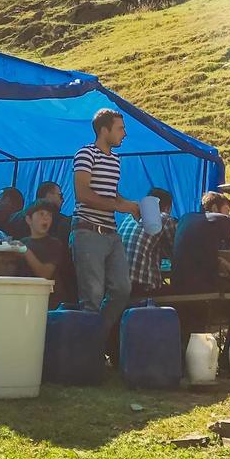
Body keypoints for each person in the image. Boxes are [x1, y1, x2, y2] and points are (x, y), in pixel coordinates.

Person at [72, 108, 140, 342]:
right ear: (104, 130)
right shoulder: (86, 153)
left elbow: (111, 194)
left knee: (122, 289)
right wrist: (118, 206)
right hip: (88, 230)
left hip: (111, 233)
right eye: (120, 129)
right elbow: (82, 193)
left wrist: (131, 205)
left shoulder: (115, 159)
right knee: (92, 295)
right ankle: (88, 353)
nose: (124, 134)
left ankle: (96, 338)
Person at [10, 200, 76, 308]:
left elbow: (45, 274)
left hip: (48, 300)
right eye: (41, 214)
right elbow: (11, 273)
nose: (46, 218)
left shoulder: (55, 244)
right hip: (23, 297)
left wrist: (25, 251)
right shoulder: (24, 242)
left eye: (49, 215)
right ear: (28, 219)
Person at [171, 192, 230, 295]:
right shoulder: (222, 218)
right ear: (215, 208)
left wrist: (219, 260)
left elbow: (196, 252)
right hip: (200, 285)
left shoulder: (186, 218)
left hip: (177, 283)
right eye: (227, 210)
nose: (228, 213)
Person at [122, 187, 176, 298]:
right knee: (177, 293)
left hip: (118, 282)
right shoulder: (164, 218)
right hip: (143, 285)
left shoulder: (130, 217)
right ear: (167, 207)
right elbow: (176, 253)